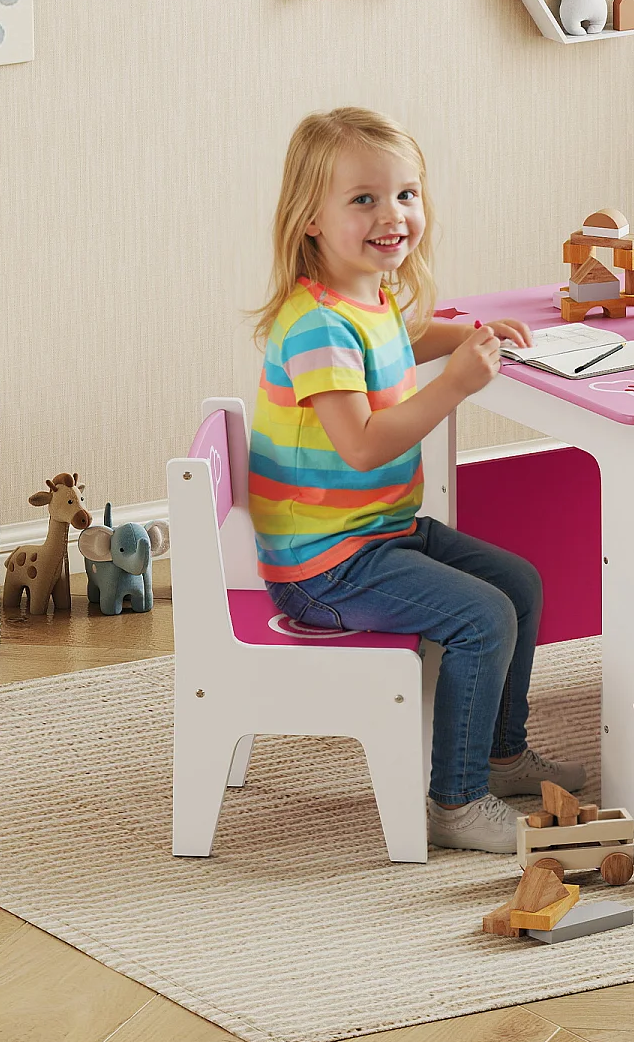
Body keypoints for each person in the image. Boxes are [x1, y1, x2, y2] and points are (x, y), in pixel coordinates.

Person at [249, 107, 585, 852]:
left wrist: (467, 337)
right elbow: (362, 447)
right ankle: (455, 802)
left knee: (519, 584)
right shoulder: (316, 326)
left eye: (406, 194)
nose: (392, 215)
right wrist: (456, 383)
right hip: (324, 564)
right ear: (310, 218)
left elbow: (397, 339)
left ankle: (499, 755)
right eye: (364, 199)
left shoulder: (363, 298)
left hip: (375, 532)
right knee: (484, 617)